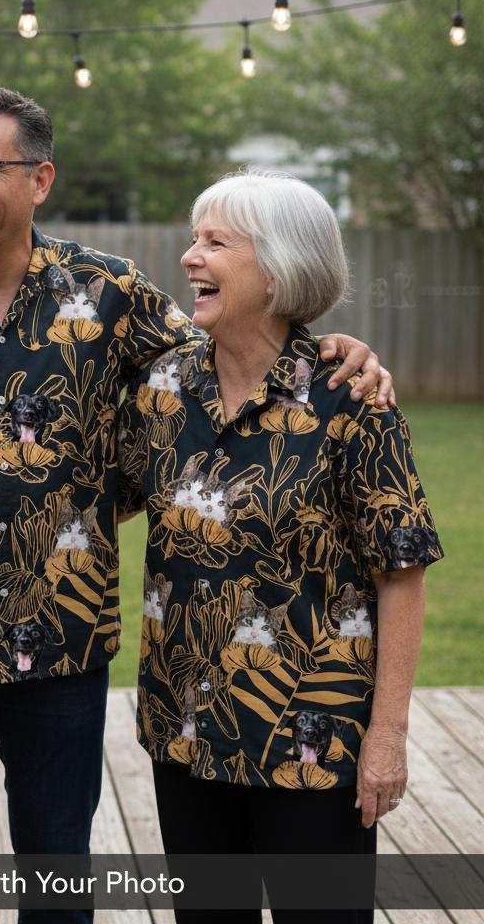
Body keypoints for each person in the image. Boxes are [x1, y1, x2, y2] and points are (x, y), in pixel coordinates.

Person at [0, 85, 390, 924]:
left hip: (64, 639)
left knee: (58, 866)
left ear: (39, 180)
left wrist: (338, 344)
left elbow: (238, 354)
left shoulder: (111, 293)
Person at [118, 169, 442, 923]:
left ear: (279, 269)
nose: (190, 257)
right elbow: (102, 496)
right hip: (186, 731)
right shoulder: (162, 389)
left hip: (310, 737)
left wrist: (387, 736)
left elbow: (403, 569)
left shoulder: (351, 397)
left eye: (216, 242)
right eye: (194, 238)